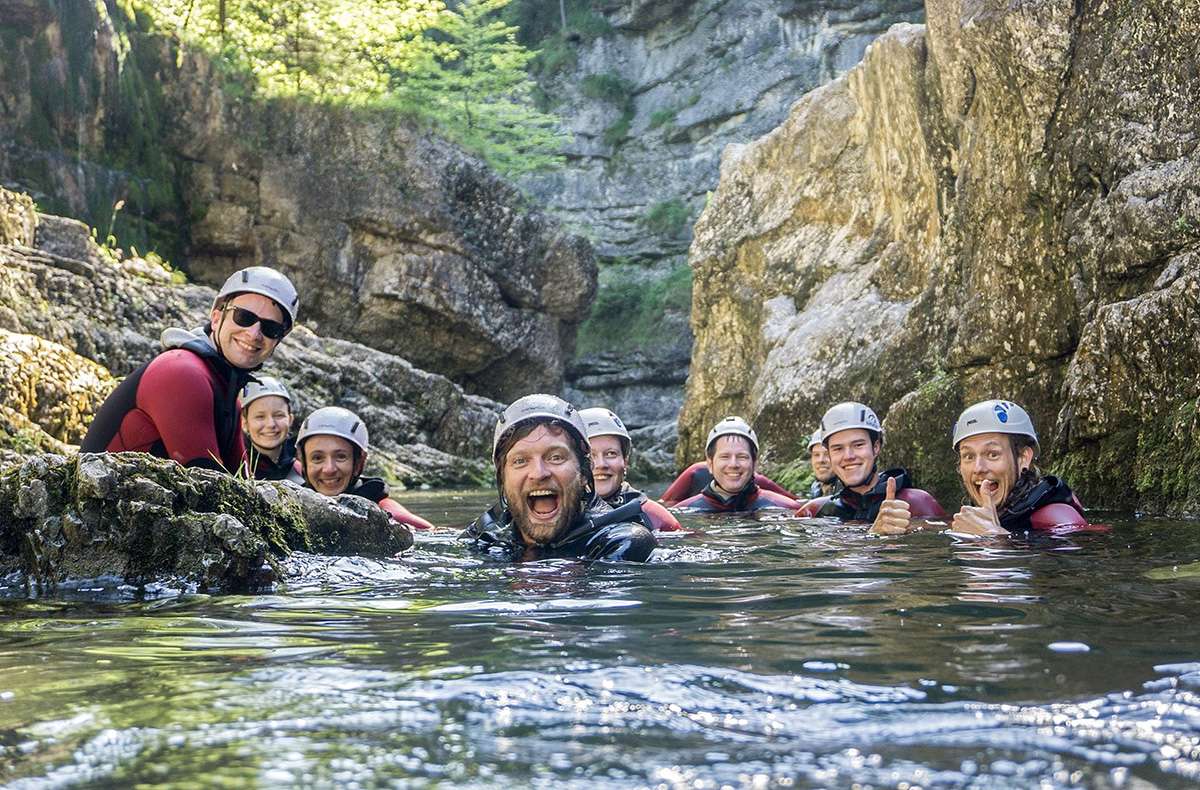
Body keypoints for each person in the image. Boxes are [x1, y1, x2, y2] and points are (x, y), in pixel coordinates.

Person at [82, 266, 299, 471]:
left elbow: (242, 484)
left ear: (277, 342)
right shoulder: (182, 371)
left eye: (270, 328)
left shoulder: (227, 394)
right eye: (244, 317)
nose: (254, 334)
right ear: (216, 318)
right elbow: (209, 483)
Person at [463, 394, 658, 562]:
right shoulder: (485, 535)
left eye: (556, 457)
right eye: (521, 461)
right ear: (503, 478)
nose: (539, 473)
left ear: (584, 472)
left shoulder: (622, 540)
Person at [797, 402, 946, 534]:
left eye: (858, 445)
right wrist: (873, 534)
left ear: (876, 447)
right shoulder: (814, 510)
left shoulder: (916, 503)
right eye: (838, 448)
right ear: (829, 455)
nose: (848, 456)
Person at [949, 400, 1091, 535]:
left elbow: (1078, 557)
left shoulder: (1055, 516)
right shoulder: (971, 517)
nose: (978, 468)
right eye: (968, 456)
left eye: (992, 454)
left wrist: (992, 537)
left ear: (1023, 458)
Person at [296, 406, 435, 531]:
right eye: (317, 458)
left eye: (340, 456)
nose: (329, 469)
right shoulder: (291, 507)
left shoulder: (387, 514)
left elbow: (432, 534)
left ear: (358, 463)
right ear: (304, 462)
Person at [580, 407, 680, 532]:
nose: (601, 464)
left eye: (611, 454)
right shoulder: (556, 515)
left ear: (625, 461)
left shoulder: (655, 518)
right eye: (590, 456)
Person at [673, 417, 803, 512]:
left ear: (755, 463)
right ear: (710, 463)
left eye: (742, 457)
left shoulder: (788, 509)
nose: (733, 464)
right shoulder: (682, 512)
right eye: (725, 457)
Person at [240, 376, 302, 483]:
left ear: (290, 419)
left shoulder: (301, 469)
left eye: (279, 415)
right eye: (260, 417)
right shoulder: (235, 466)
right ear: (244, 423)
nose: (270, 424)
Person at [806, 428, 838, 498]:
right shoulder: (816, 489)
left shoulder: (850, 495)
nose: (821, 460)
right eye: (816, 455)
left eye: (827, 454)